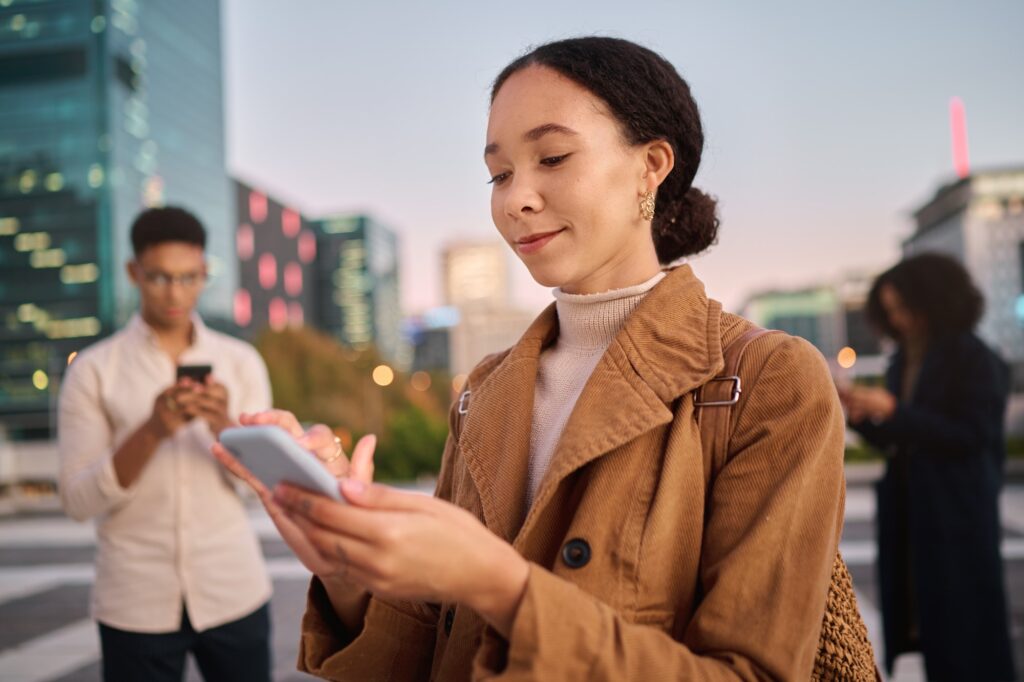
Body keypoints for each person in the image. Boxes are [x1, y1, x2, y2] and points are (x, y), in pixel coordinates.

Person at [216, 37, 851, 679]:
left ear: (651, 165)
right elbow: (432, 643)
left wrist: (503, 586)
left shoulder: (765, 380)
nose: (514, 199)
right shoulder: (487, 387)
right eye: (498, 173)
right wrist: (347, 568)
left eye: (552, 157)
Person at [57, 207, 274, 682]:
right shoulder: (93, 370)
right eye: (159, 277)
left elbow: (265, 488)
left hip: (232, 587)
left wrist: (223, 425)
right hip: (134, 600)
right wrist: (152, 429)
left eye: (189, 277)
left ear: (204, 273)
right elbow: (77, 501)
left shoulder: (241, 363)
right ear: (134, 272)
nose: (176, 293)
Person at [841, 252, 1016, 681]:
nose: (898, 319)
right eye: (891, 310)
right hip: (914, 512)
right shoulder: (905, 357)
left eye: (904, 307)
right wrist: (862, 417)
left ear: (933, 301)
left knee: (969, 632)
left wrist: (894, 411)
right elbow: (908, 435)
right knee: (928, 622)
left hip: (958, 512)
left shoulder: (974, 357)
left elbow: (970, 435)